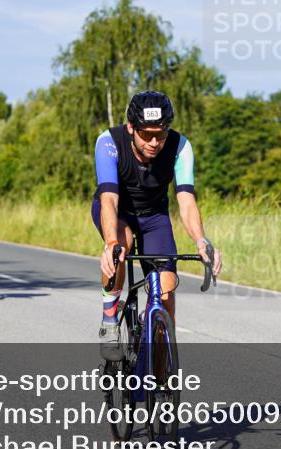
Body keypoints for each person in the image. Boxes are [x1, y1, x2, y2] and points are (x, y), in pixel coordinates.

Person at [93, 90, 222, 360]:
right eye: (146, 134)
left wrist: (201, 240)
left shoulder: (180, 146)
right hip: (119, 212)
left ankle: (158, 357)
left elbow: (186, 201)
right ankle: (109, 320)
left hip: (154, 217)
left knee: (165, 291)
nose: (154, 142)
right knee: (122, 243)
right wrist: (111, 242)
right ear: (131, 128)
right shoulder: (109, 142)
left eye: (161, 134)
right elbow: (109, 200)